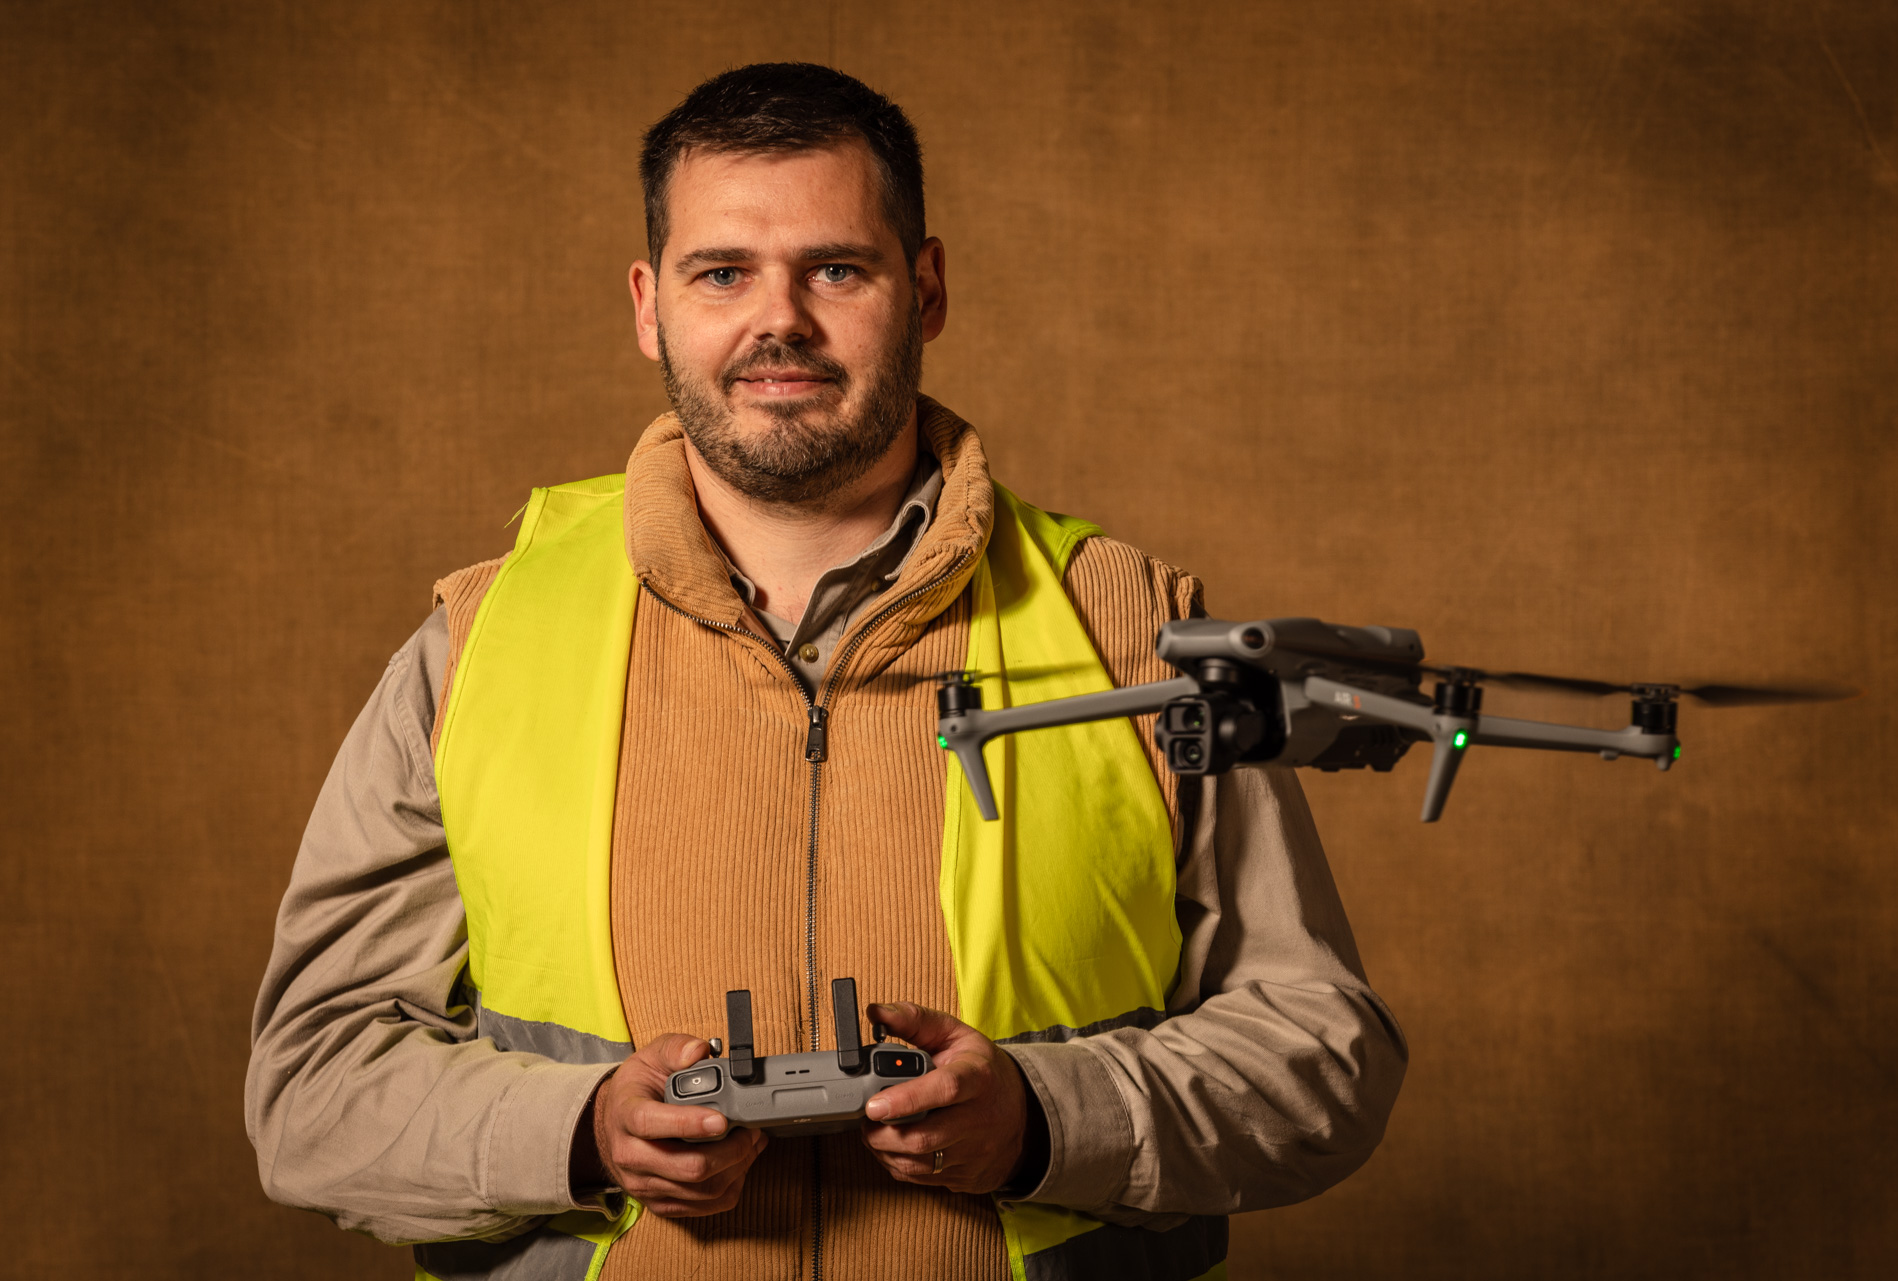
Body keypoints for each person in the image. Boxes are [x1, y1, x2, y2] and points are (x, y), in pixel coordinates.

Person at [245, 63, 1407, 1281]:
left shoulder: (1137, 633)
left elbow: (1324, 1053)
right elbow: (311, 1092)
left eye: (837, 269)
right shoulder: (478, 648)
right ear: (649, 305)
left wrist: (1047, 1120)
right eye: (722, 273)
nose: (781, 320)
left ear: (927, 290)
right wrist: (579, 1133)